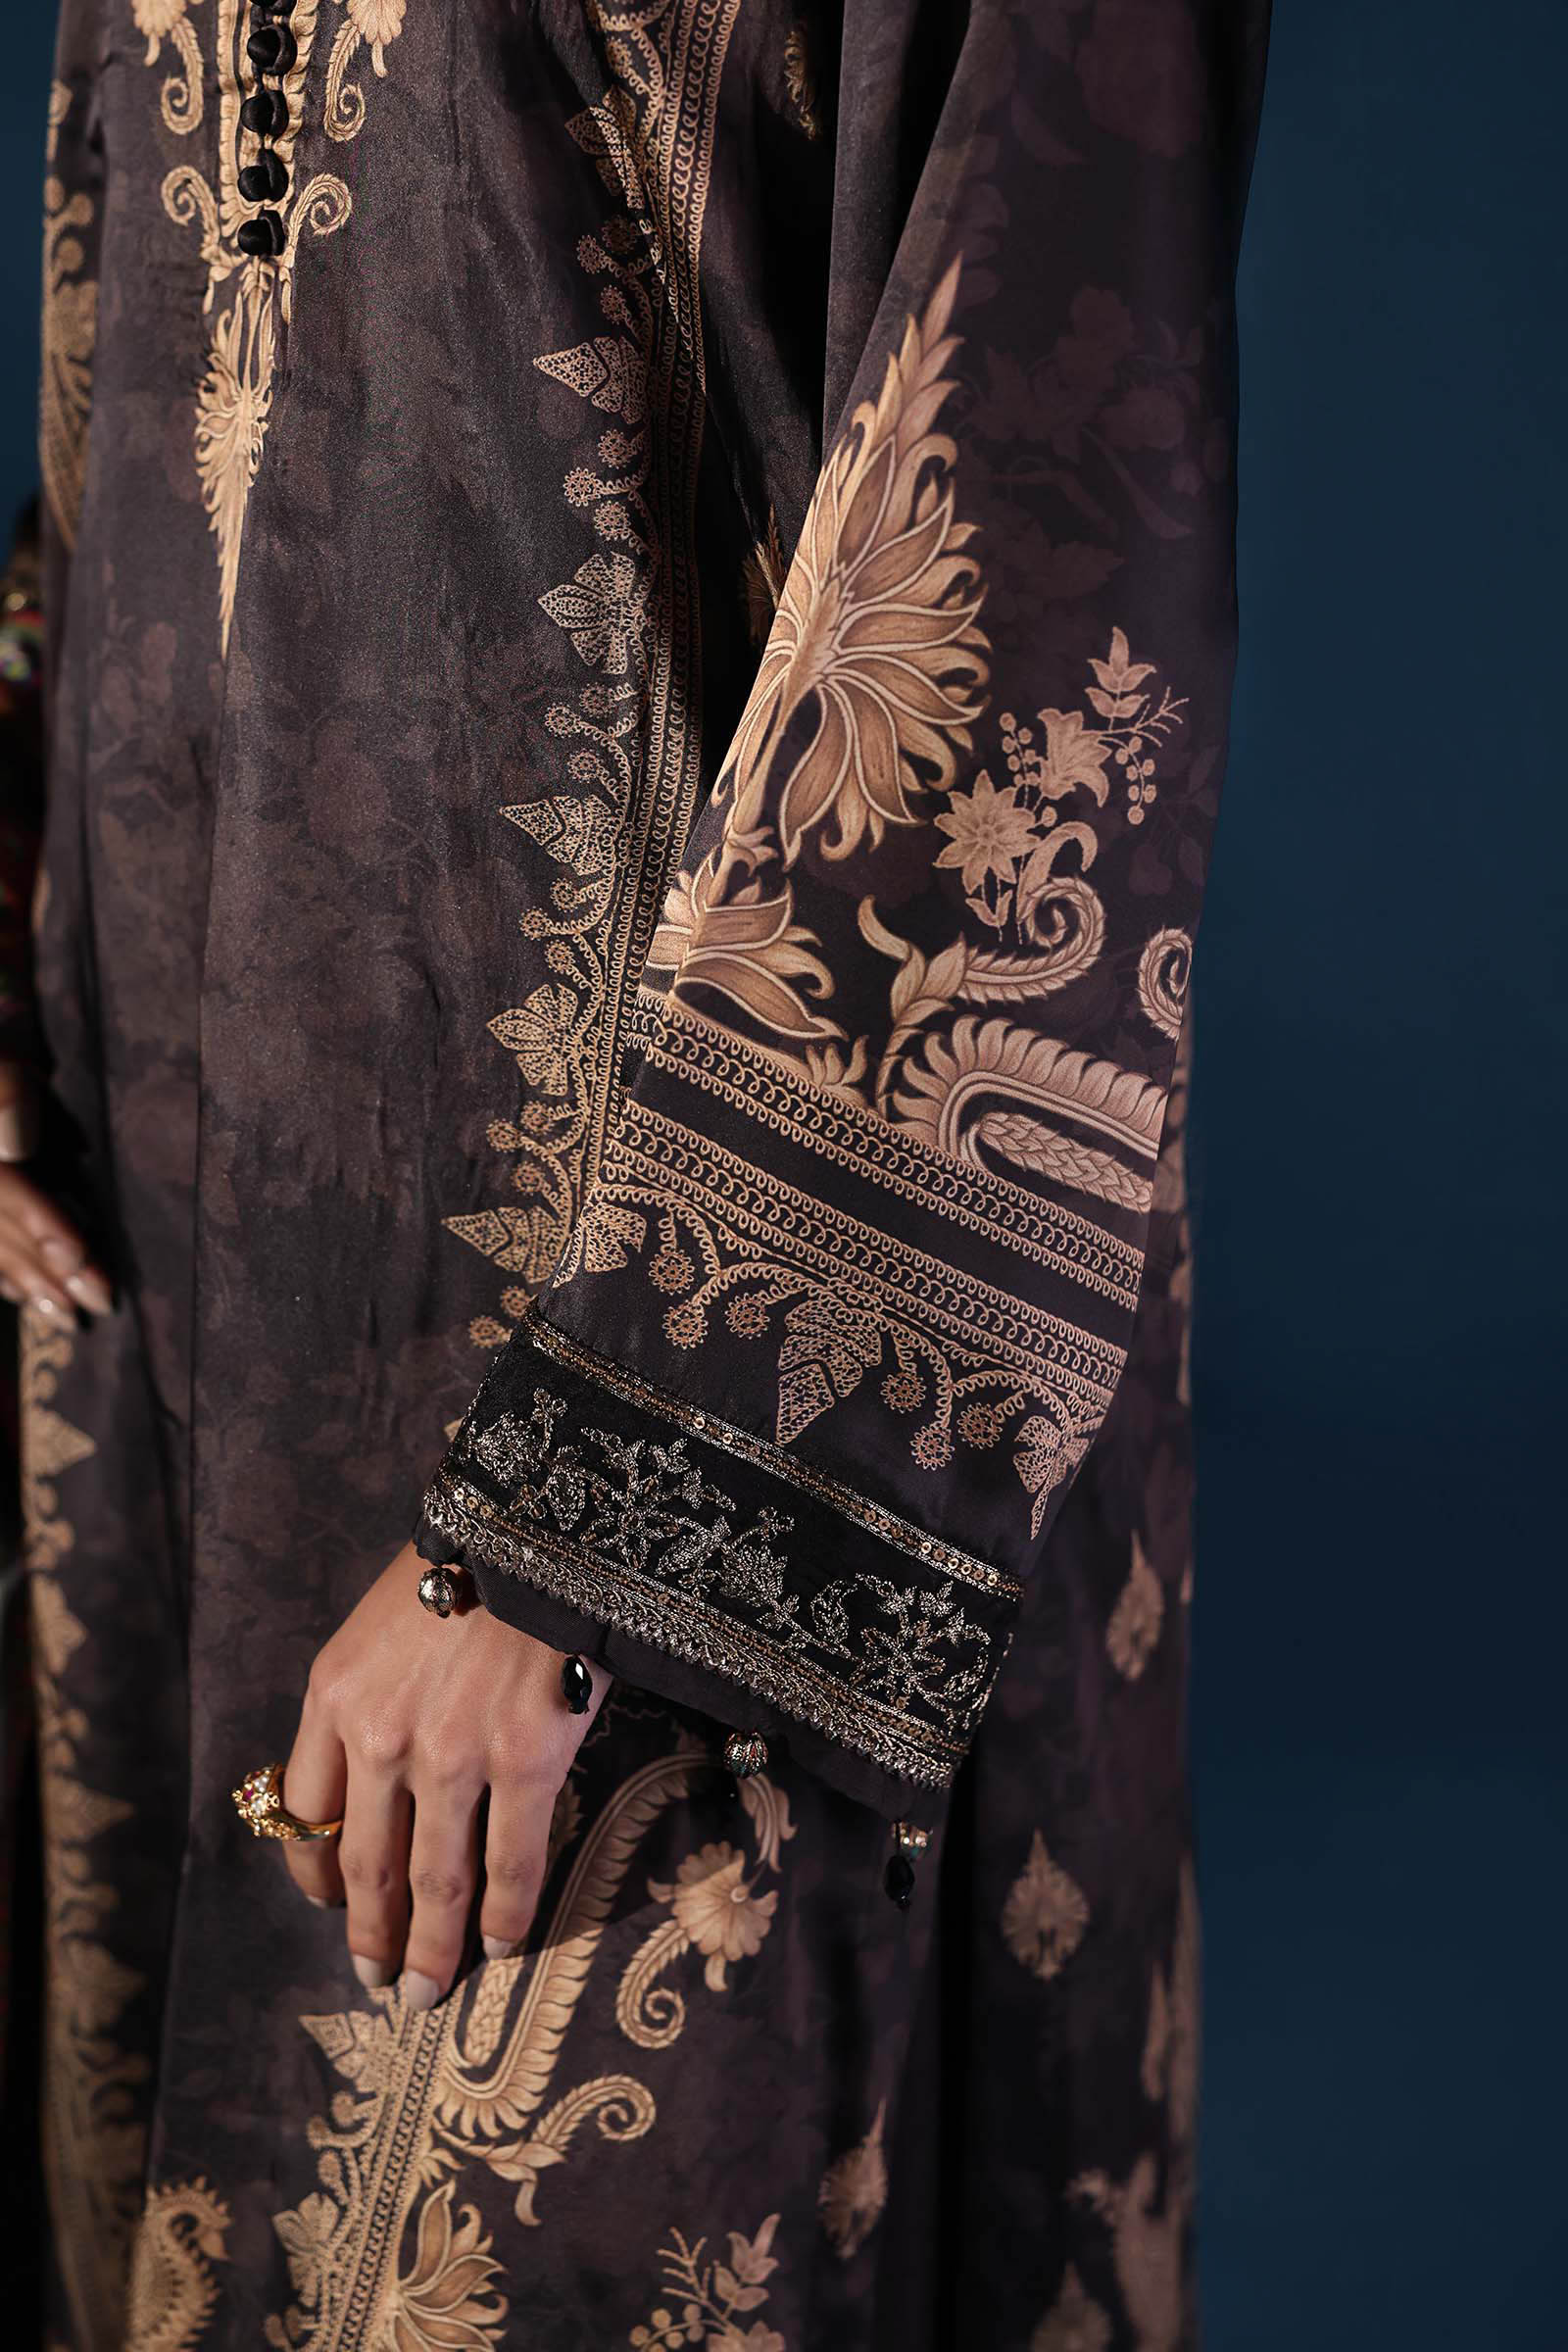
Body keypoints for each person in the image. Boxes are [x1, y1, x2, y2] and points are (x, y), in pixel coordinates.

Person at [24, 3, 1269, 2343]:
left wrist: (608, 1511)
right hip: (189, 1277)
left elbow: (1041, 554)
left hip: (660, 1373)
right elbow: (150, 402)